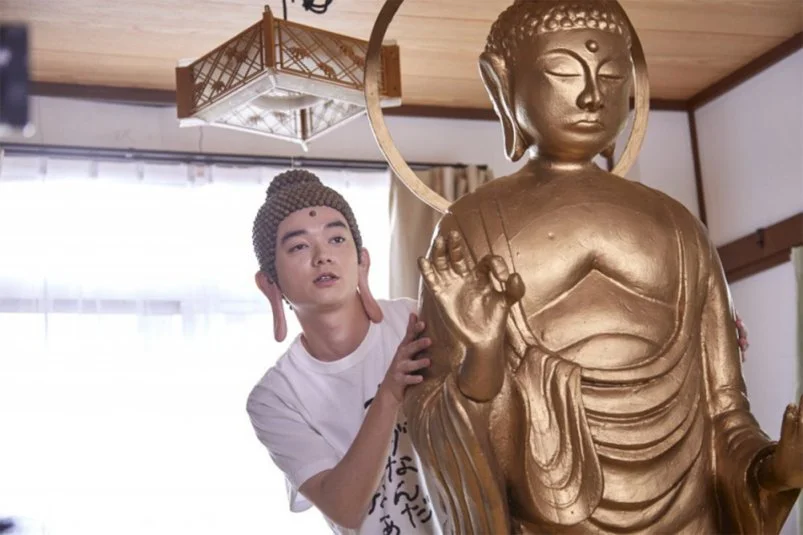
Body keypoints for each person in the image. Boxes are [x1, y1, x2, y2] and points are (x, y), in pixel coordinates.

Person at [246, 169, 444, 535]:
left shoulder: (417, 321)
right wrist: (389, 393)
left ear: (362, 261)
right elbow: (345, 508)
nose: (323, 256)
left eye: (336, 238)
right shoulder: (275, 397)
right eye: (299, 246)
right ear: (269, 284)